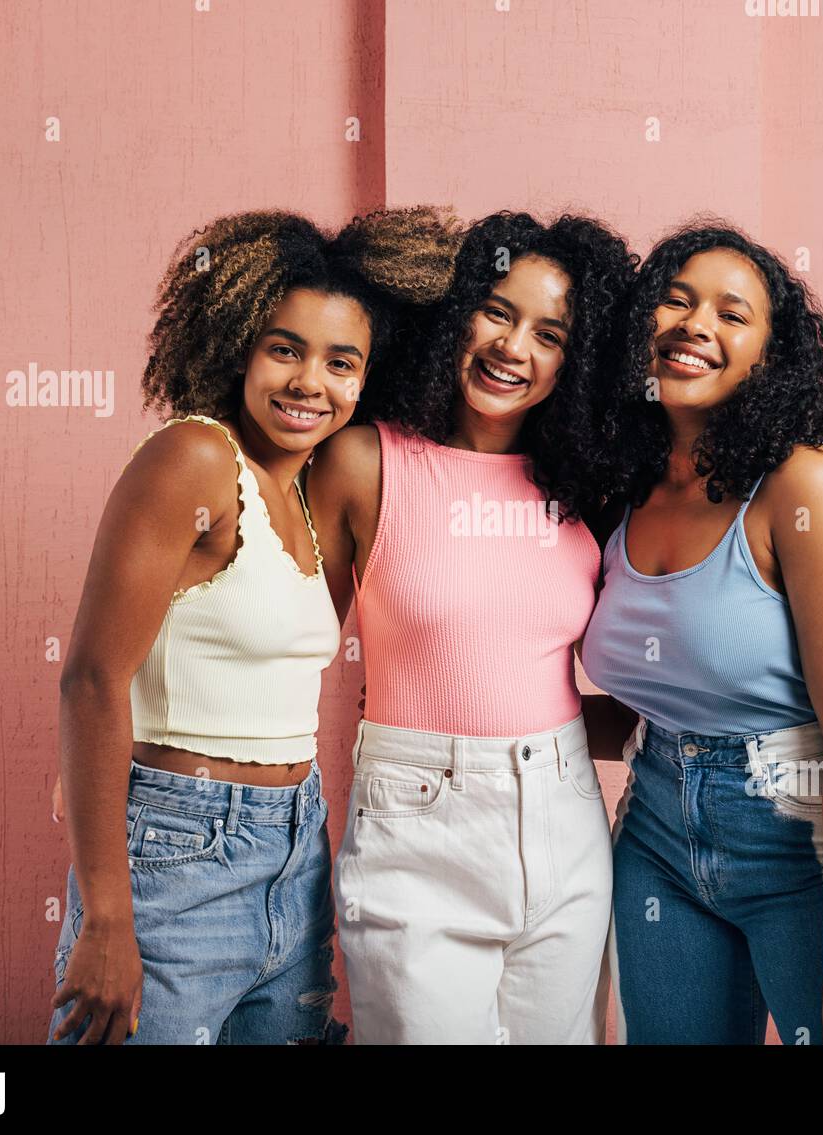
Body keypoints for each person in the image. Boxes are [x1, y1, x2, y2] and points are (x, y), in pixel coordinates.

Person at [47, 206, 458, 1044]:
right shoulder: (194, 458)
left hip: (295, 846)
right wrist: (106, 918)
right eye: (285, 348)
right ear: (237, 343)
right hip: (175, 847)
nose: (311, 381)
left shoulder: (311, 498)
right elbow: (91, 678)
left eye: (341, 362)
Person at [580, 220, 823, 1045]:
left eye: (730, 313)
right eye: (675, 300)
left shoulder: (802, 485)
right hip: (658, 837)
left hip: (804, 838)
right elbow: (655, 705)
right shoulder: (622, 489)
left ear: (767, 359)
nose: (694, 324)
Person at [307, 211, 637, 1044]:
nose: (513, 346)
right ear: (455, 314)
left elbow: (566, 681)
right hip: (418, 831)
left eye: (549, 333)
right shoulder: (363, 462)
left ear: (575, 361)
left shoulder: (584, 490)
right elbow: (288, 647)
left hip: (564, 820)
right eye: (496, 311)